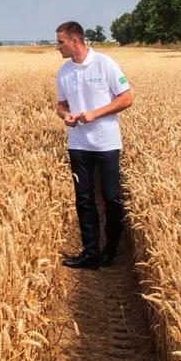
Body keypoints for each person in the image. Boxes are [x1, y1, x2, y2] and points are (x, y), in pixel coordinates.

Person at [55, 21, 133, 270]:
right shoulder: (63, 72)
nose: (57, 47)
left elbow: (126, 98)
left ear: (75, 41)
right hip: (78, 145)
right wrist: (64, 116)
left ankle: (111, 249)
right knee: (84, 199)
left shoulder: (105, 63)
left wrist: (96, 114)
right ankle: (90, 253)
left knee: (111, 198)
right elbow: (61, 104)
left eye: (61, 42)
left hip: (106, 144)